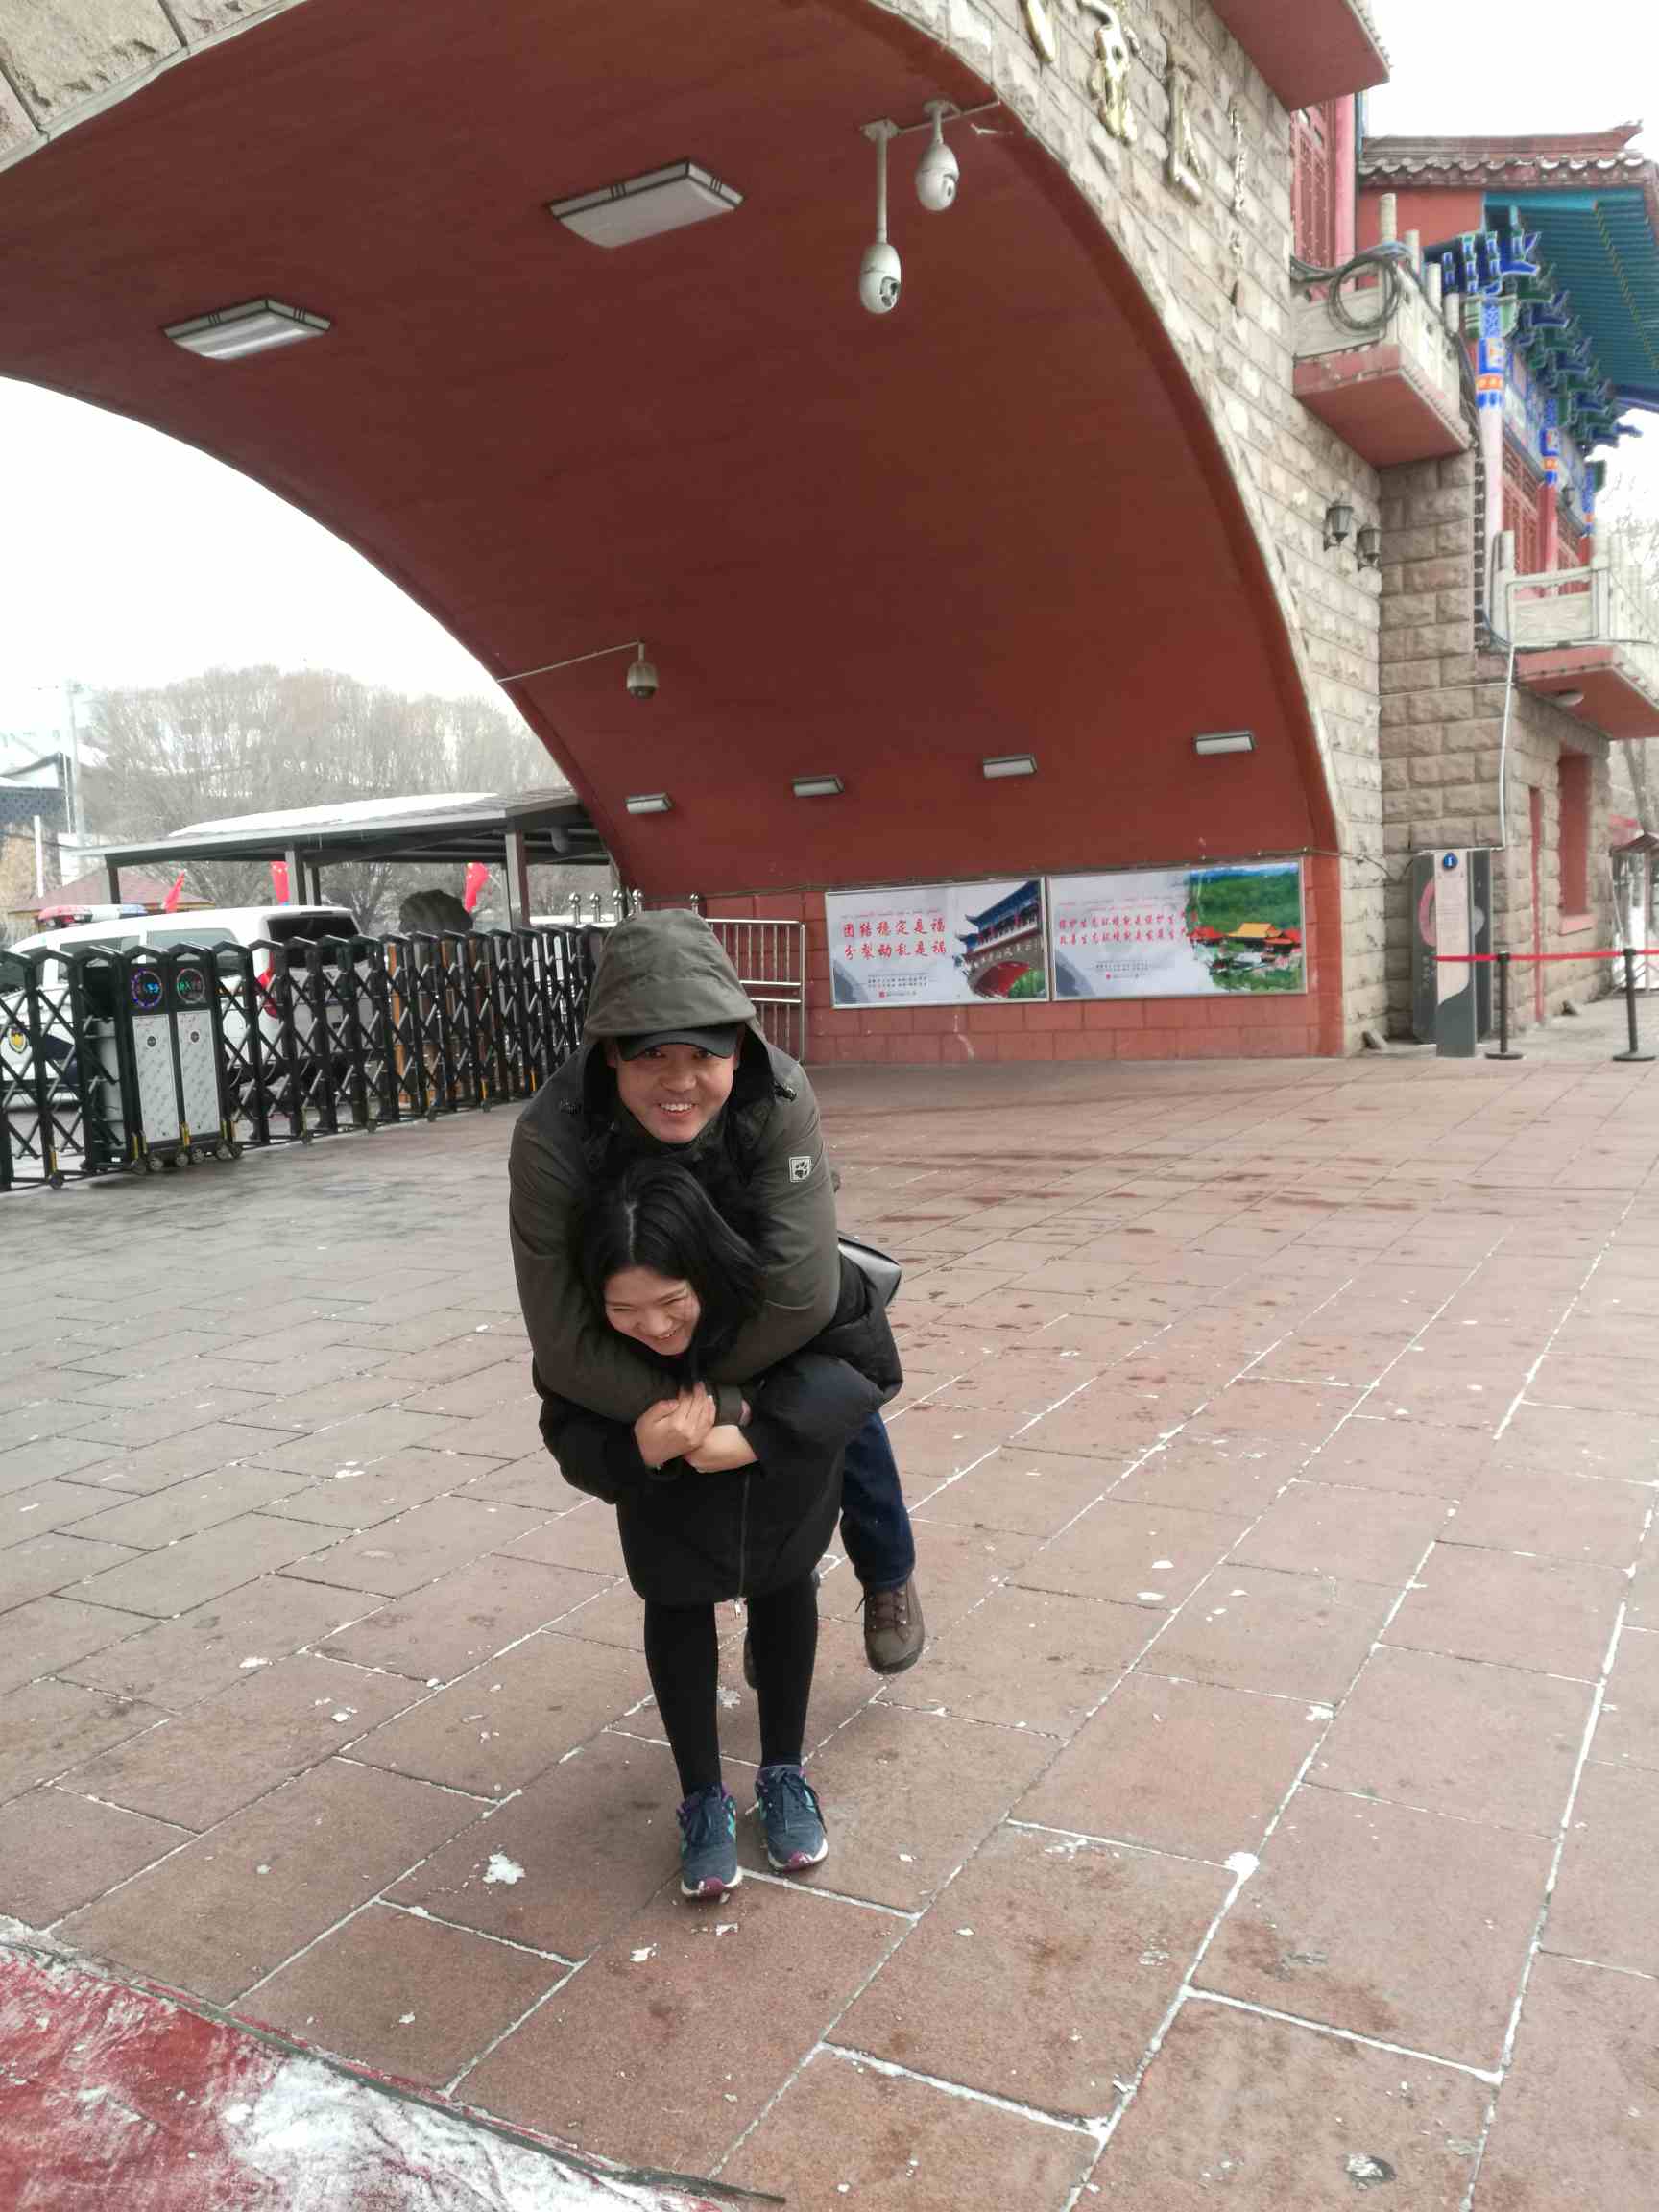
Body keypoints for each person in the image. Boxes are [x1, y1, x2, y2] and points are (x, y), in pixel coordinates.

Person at [508, 906, 924, 1671]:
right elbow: (562, 1340)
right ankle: (766, 1592)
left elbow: (799, 1293)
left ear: (736, 1044)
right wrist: (686, 1412)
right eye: (650, 1055)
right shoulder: (552, 1133)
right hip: (649, 1292)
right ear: (609, 1053)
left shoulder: (779, 1092)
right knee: (668, 1436)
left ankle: (886, 1568)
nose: (679, 1082)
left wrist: (737, 1405)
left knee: (834, 1390)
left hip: (758, 1283)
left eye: (702, 1053)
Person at [541, 1158, 901, 1898]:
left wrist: (760, 1435)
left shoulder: (782, 1284)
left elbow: (861, 1361)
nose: (654, 1327)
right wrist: (637, 1451)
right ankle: (702, 1796)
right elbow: (567, 1421)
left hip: (783, 1481)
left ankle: (784, 1772)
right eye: (624, 1310)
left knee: (786, 1591)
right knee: (675, 1606)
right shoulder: (582, 1337)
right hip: (667, 1505)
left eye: (672, 1300)